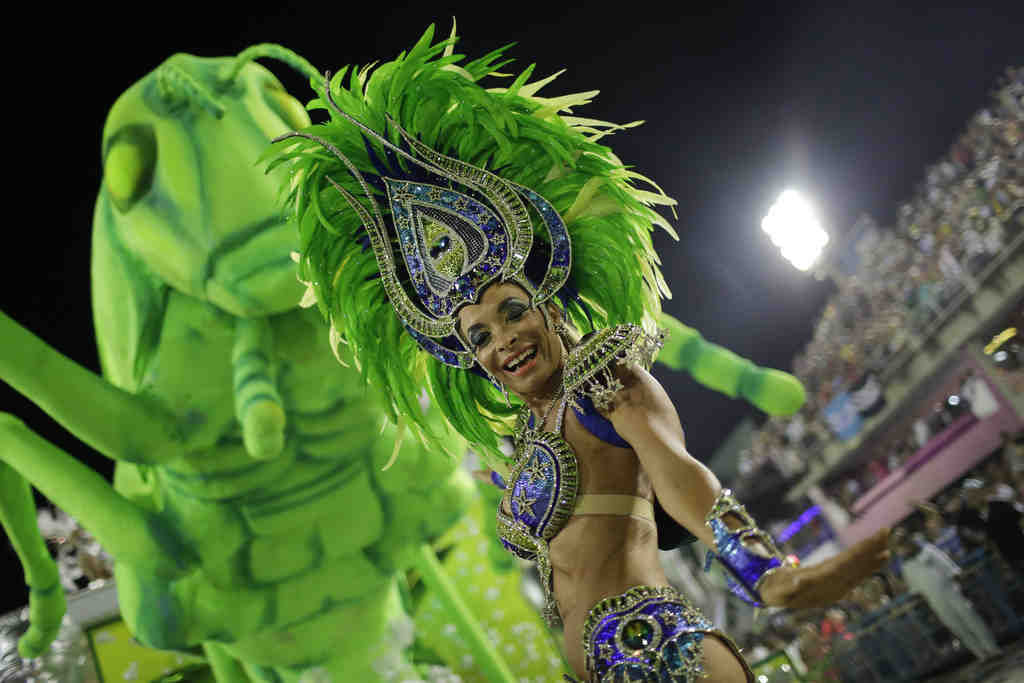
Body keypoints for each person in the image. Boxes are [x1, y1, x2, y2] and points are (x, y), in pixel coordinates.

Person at [269, 26, 890, 682]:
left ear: (551, 308)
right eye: (478, 334)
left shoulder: (602, 381)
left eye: (511, 311)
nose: (500, 338)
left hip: (657, 652)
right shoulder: (524, 435)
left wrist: (766, 574)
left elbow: (678, 475)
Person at [891, 529, 1001, 661]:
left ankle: (993, 649)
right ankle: (981, 654)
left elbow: (945, 563)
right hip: (935, 599)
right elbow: (915, 588)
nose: (904, 546)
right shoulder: (906, 567)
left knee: (971, 618)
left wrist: (956, 575)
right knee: (957, 627)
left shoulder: (928, 550)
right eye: (900, 544)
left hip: (949, 589)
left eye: (904, 541)